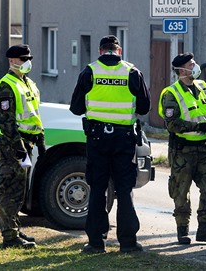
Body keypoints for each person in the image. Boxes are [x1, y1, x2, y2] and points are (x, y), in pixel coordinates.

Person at [69, 35, 151, 254]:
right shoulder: (132, 72)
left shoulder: (90, 71)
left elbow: (76, 108)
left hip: (97, 139)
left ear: (100, 51)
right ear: (119, 51)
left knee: (98, 189)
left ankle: (96, 243)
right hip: (124, 139)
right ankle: (128, 243)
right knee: (125, 190)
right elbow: (144, 107)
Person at [158, 53, 206, 245]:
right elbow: (172, 124)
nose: (195, 66)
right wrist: (197, 127)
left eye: (194, 63)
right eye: (191, 64)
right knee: (181, 191)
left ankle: (205, 227)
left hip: (204, 148)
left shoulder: (202, 86)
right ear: (181, 70)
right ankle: (182, 230)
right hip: (183, 151)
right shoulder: (171, 93)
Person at [0, 44, 46, 249]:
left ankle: (14, 228)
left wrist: (40, 139)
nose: (27, 62)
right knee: (10, 190)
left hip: (26, 144)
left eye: (28, 58)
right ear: (12, 61)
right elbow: (6, 123)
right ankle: (9, 236)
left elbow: (34, 114)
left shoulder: (28, 83)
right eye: (23, 59)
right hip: (12, 146)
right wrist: (19, 147)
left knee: (20, 190)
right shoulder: (6, 86)